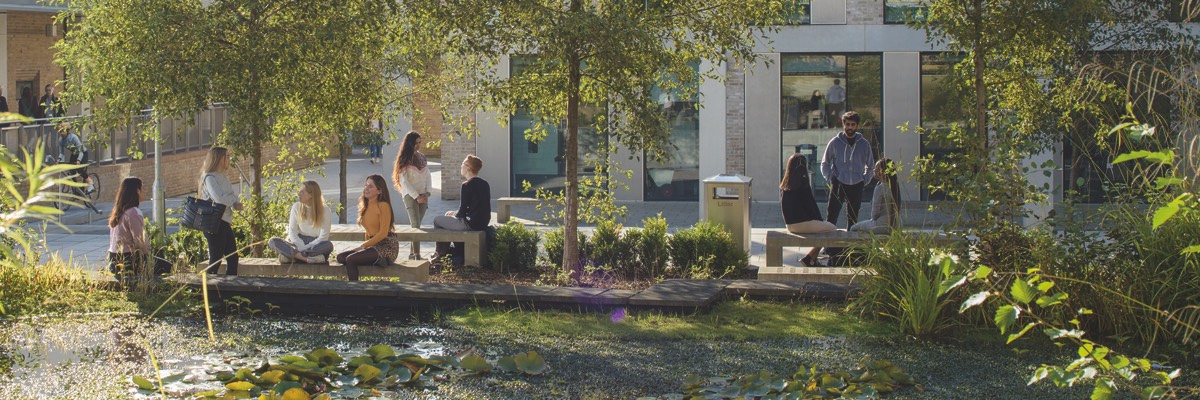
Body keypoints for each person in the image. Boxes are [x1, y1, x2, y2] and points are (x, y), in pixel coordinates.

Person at [336, 174, 399, 281]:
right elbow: (368, 231)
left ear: (379, 191)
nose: (366, 188)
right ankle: (377, 261)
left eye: (370, 186)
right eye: (365, 185)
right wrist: (365, 249)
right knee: (340, 257)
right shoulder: (365, 206)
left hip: (387, 245)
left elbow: (383, 233)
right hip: (373, 245)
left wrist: (363, 247)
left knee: (351, 259)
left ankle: (354, 289)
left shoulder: (383, 205)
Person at [781, 153, 838, 267]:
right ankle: (810, 256)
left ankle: (811, 258)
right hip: (803, 224)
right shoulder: (803, 184)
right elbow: (812, 208)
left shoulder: (785, 185)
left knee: (823, 229)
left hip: (790, 225)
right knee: (832, 228)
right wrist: (821, 222)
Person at [108, 177, 172, 277]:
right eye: (142, 189)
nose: (144, 192)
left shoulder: (118, 211)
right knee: (168, 267)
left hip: (113, 259)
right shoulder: (134, 212)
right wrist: (148, 256)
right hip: (128, 260)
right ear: (137, 191)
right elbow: (140, 242)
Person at [821, 111, 874, 228]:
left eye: (852, 124)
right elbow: (825, 163)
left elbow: (870, 166)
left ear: (857, 126)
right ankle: (829, 246)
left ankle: (850, 246)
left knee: (853, 219)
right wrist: (831, 178)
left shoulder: (864, 144)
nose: (850, 127)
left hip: (856, 184)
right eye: (847, 124)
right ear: (843, 125)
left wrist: (864, 180)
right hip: (838, 184)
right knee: (831, 217)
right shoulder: (835, 142)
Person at [432, 154, 490, 263]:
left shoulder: (466, 185)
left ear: (468, 168)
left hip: (470, 224)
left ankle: (440, 253)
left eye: (462, 164)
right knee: (448, 214)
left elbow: (461, 213)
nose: (461, 166)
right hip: (482, 223)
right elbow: (477, 207)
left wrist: (454, 214)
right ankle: (453, 251)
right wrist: (452, 213)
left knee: (437, 220)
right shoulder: (485, 184)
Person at [198, 147, 244, 276]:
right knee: (216, 259)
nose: (229, 159)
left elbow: (229, 196)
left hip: (224, 221)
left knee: (233, 257)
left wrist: (235, 203)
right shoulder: (209, 178)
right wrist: (232, 200)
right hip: (214, 223)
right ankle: (207, 287)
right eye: (227, 157)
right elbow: (219, 198)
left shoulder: (223, 176)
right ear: (219, 159)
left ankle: (231, 287)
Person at [268, 180, 334, 264]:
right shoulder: (296, 207)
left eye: (302, 192)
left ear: (311, 194)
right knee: (273, 241)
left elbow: (323, 237)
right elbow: (292, 233)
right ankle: (308, 259)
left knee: (328, 245)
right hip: (299, 242)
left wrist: (304, 249)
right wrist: (301, 246)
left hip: (316, 245)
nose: (298, 194)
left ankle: (293, 257)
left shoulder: (325, 210)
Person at [392, 131, 432, 260]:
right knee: (416, 226)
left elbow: (428, 176)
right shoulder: (404, 159)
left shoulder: (422, 157)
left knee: (417, 225)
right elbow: (405, 182)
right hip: (410, 196)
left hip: (423, 195)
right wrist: (417, 196)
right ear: (409, 143)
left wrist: (427, 193)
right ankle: (417, 255)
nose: (418, 145)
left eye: (420, 142)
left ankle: (411, 253)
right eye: (415, 143)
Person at [851, 158, 901, 234]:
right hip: (897, 225)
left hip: (881, 226)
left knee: (853, 228)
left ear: (881, 171)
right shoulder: (895, 187)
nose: (874, 170)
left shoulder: (880, 187)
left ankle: (865, 246)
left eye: (876, 168)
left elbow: (874, 215)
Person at [57, 122, 99, 208]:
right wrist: (59, 159)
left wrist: (79, 160)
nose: (61, 133)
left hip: (82, 153)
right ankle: (76, 190)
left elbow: (80, 151)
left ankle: (90, 183)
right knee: (71, 172)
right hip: (74, 153)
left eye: (63, 131)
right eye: (60, 132)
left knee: (80, 170)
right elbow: (61, 153)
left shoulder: (73, 137)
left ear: (67, 131)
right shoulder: (60, 140)